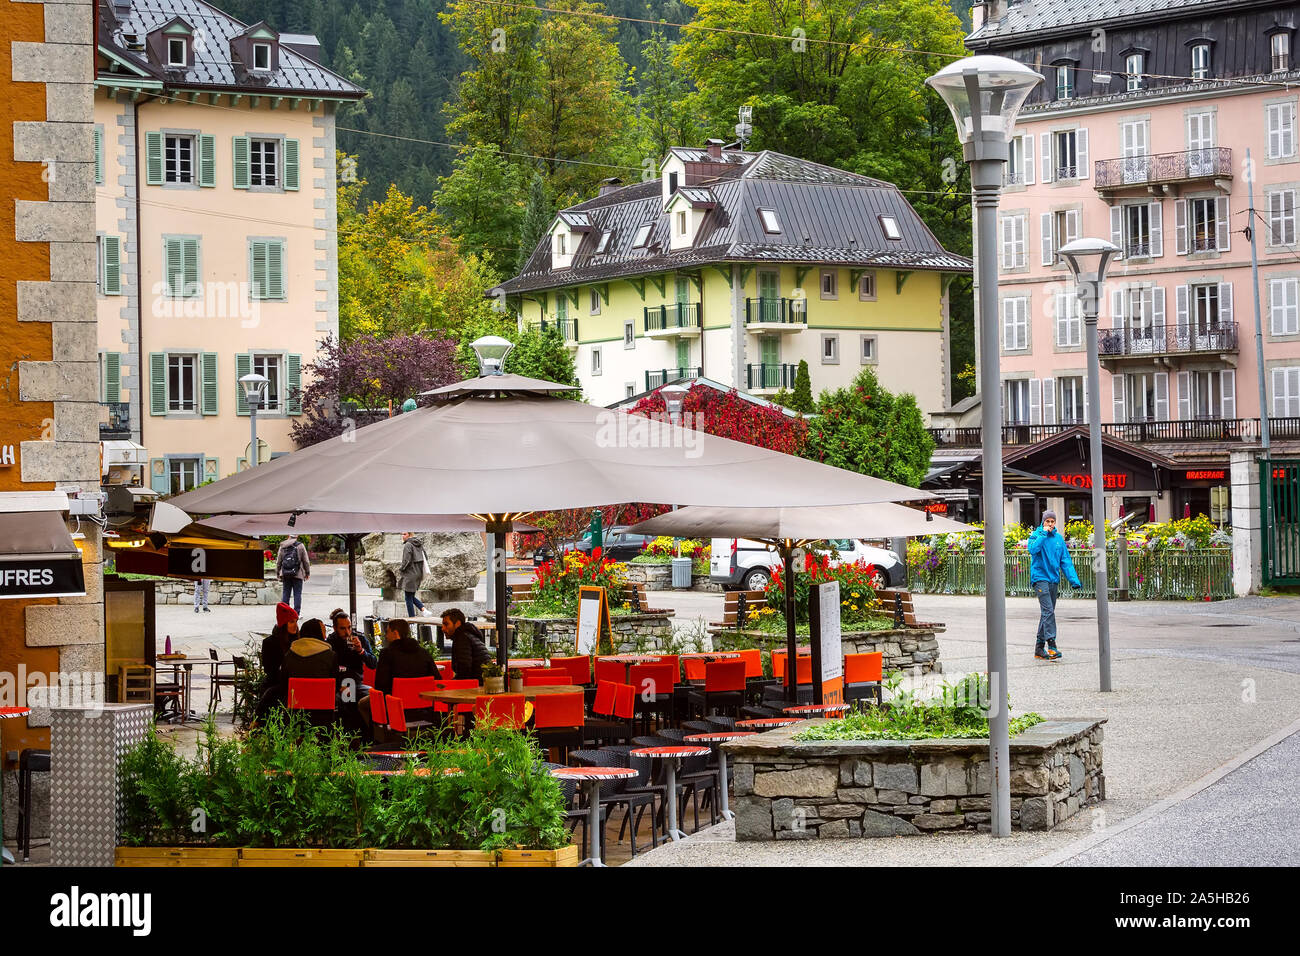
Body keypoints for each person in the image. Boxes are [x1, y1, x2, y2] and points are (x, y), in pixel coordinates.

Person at [362, 619, 438, 739]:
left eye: (387, 632)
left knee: (362, 704)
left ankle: (376, 740)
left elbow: (380, 686)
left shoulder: (387, 654)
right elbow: (437, 680)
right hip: (424, 710)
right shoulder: (424, 653)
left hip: (394, 709)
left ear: (395, 633)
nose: (386, 636)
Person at [1027, 511, 1081, 661]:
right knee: (1048, 611)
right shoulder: (1036, 535)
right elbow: (1032, 549)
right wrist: (1043, 534)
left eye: (1052, 521)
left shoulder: (1058, 539)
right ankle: (1051, 645)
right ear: (1043, 522)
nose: (1050, 524)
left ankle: (1039, 648)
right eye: (1047, 521)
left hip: (1053, 579)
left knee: (1047, 613)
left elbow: (1065, 561)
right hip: (1040, 578)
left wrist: (1074, 580)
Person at [257, 603, 298, 718]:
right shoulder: (270, 643)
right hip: (276, 683)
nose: (295, 625)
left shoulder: (299, 641)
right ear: (284, 624)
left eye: (296, 621)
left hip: (295, 685)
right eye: (291, 622)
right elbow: (268, 669)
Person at [442, 608, 493, 682]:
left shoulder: (462, 638)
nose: (443, 628)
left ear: (457, 623)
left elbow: (464, 671)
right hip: (483, 683)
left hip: (477, 686)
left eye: (446, 624)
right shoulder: (469, 635)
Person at [276, 534, 311, 614]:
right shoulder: (300, 546)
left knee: (286, 593)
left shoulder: (283, 546)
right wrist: (307, 572)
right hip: (298, 573)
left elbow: (279, 561)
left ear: (289, 535)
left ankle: (285, 613)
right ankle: (296, 613)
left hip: (285, 573)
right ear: (297, 536)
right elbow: (306, 561)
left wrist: (278, 572)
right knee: (297, 594)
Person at [398, 532, 428, 617]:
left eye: (404, 534)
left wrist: (401, 569)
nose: (402, 536)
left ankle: (412, 618)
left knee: (408, 597)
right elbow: (426, 557)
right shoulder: (419, 544)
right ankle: (424, 610)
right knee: (410, 596)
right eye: (402, 534)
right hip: (418, 573)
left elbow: (406, 560)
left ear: (410, 535)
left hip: (410, 573)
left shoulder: (408, 544)